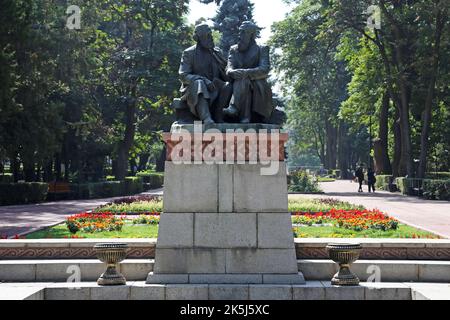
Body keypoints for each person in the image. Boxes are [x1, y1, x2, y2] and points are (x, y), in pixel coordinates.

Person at [178, 23, 233, 124]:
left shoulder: (216, 52)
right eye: (207, 35)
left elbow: (225, 74)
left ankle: (218, 115)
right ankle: (206, 118)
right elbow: (183, 75)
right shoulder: (189, 53)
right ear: (199, 38)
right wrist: (204, 80)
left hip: (214, 87)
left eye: (211, 34)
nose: (211, 37)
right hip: (194, 89)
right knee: (199, 83)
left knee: (228, 86)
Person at [223, 21, 274, 123]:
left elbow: (264, 69)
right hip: (237, 82)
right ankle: (243, 117)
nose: (239, 35)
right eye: (240, 32)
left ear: (251, 35)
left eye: (243, 32)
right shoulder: (234, 49)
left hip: (257, 83)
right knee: (242, 80)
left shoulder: (262, 48)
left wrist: (246, 73)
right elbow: (229, 67)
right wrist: (231, 72)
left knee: (244, 79)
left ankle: (235, 108)